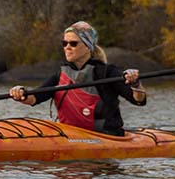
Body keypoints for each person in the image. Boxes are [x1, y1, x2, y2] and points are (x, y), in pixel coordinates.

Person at [9, 21, 146, 135]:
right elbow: (34, 98)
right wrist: (20, 93)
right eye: (65, 43)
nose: (67, 47)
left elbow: (139, 100)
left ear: (88, 47)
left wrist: (135, 84)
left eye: (73, 43)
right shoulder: (60, 75)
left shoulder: (107, 73)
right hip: (71, 135)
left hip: (107, 137)